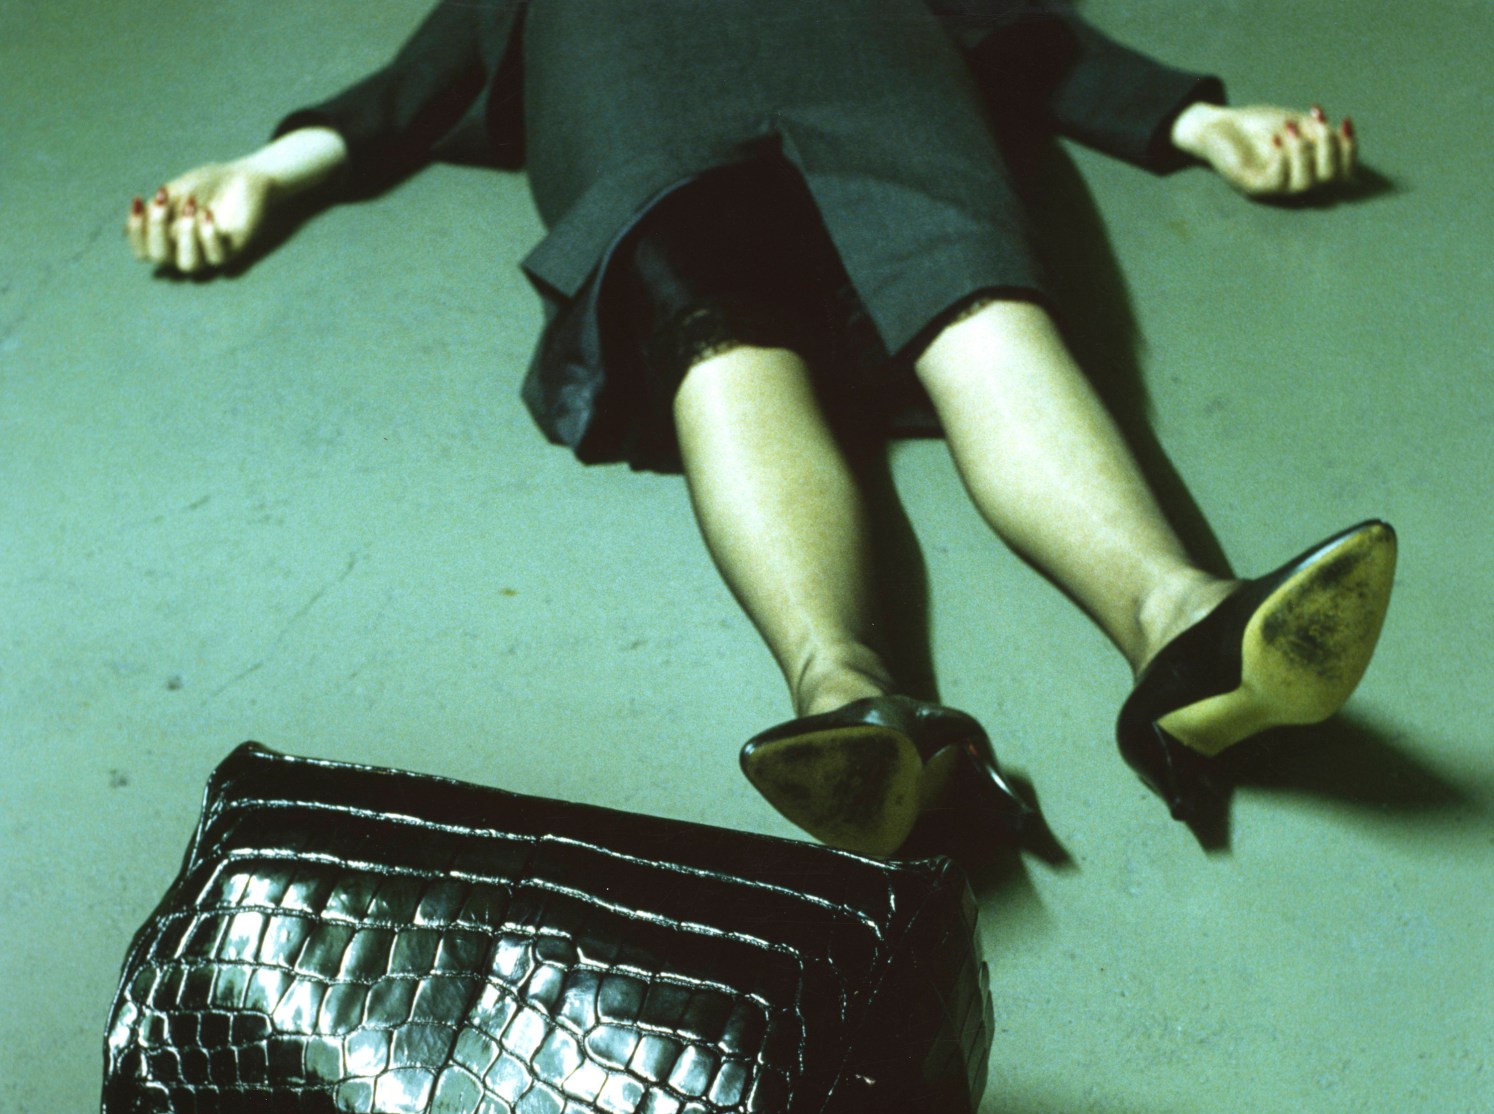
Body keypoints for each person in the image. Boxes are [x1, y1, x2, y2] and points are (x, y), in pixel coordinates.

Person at [126, 0, 1396, 853]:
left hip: (865, 68)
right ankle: (852, 706)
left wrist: (1207, 120)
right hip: (644, 90)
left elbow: (1027, 35)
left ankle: (1185, 628)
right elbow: (412, 88)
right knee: (728, 340)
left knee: (972, 304)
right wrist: (263, 169)